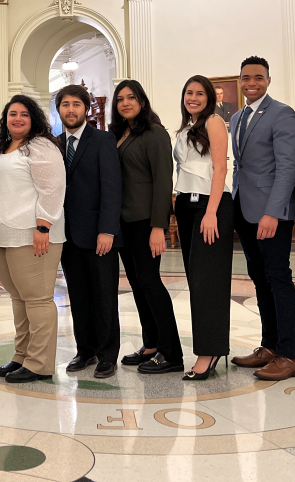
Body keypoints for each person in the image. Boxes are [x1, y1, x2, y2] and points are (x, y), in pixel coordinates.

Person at [0, 95, 66, 383]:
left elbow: (52, 187)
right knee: (19, 298)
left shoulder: (40, 146)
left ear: (34, 120)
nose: (17, 118)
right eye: (12, 113)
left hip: (32, 234)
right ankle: (22, 355)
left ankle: (40, 364)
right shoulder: (2, 149)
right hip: (1, 234)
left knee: (38, 299)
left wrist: (43, 227)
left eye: (24, 114)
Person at [229, 57, 295, 381]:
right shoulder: (237, 117)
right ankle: (269, 346)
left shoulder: (282, 113)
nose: (251, 83)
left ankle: (288, 355)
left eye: (258, 77)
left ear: (268, 80)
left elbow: (288, 167)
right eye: (246, 78)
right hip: (244, 209)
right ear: (240, 81)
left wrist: (273, 212)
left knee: (277, 277)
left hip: (271, 213)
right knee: (258, 277)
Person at [111, 80, 183, 375]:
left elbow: (163, 181)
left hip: (145, 221)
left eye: (131, 97)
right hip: (124, 221)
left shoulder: (154, 133)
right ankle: (151, 344)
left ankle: (172, 352)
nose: (125, 103)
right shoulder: (119, 133)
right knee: (139, 284)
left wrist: (159, 226)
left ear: (142, 100)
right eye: (120, 99)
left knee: (151, 283)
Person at [57, 84, 122, 379]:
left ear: (86, 109)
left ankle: (107, 354)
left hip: (99, 234)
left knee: (104, 296)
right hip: (67, 235)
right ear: (59, 110)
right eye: (65, 105)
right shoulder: (54, 144)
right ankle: (85, 350)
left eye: (76, 105)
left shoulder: (103, 140)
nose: (71, 110)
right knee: (78, 295)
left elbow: (111, 187)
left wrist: (107, 230)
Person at [174, 76, 234, 380]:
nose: (193, 97)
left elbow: (220, 168)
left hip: (210, 206)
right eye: (188, 93)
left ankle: (209, 352)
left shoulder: (213, 122)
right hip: (186, 206)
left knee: (207, 283)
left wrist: (211, 212)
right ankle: (210, 346)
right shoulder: (185, 128)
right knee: (196, 280)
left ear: (209, 97)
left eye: (199, 93)